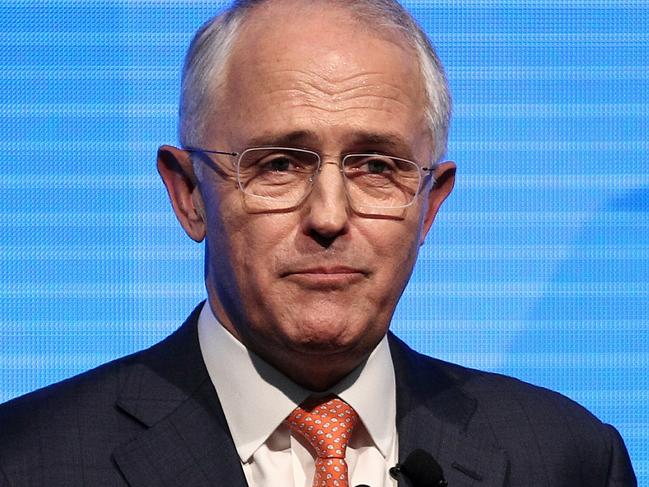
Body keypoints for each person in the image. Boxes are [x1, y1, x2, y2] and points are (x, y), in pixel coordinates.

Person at [0, 0, 636, 485]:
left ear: (430, 205)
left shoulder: (563, 457)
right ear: (189, 193)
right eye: (279, 165)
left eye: (377, 167)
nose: (329, 216)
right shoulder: (27, 460)